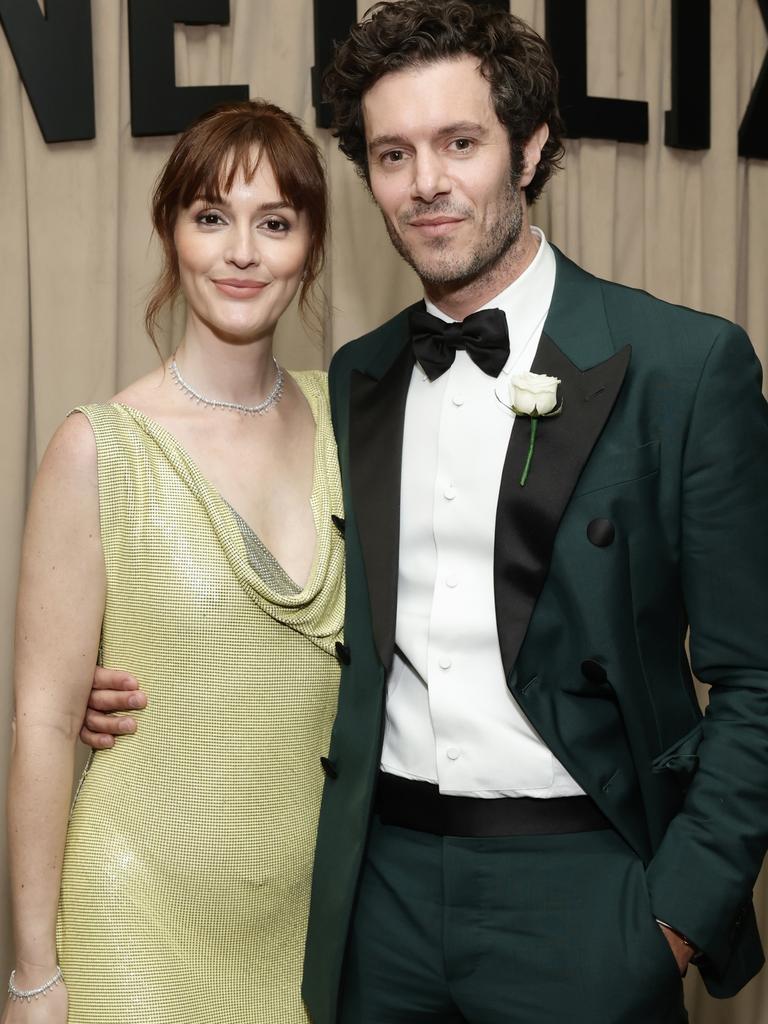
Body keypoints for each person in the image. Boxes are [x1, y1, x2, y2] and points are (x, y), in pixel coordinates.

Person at [83, 2, 768, 1022]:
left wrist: (676, 913)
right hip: (376, 895)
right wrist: (158, 693)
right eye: (393, 154)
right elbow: (301, 604)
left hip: (589, 890)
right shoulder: (356, 379)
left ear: (530, 148)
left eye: (460, 143)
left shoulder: (683, 364)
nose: (426, 183)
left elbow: (754, 674)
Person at [4, 99, 344, 1024]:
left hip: (305, 927)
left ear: (309, 248)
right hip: (137, 912)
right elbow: (40, 721)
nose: (242, 252)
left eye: (275, 222)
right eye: (211, 217)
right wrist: (33, 973)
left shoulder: (350, 426)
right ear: (171, 233)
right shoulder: (97, 448)